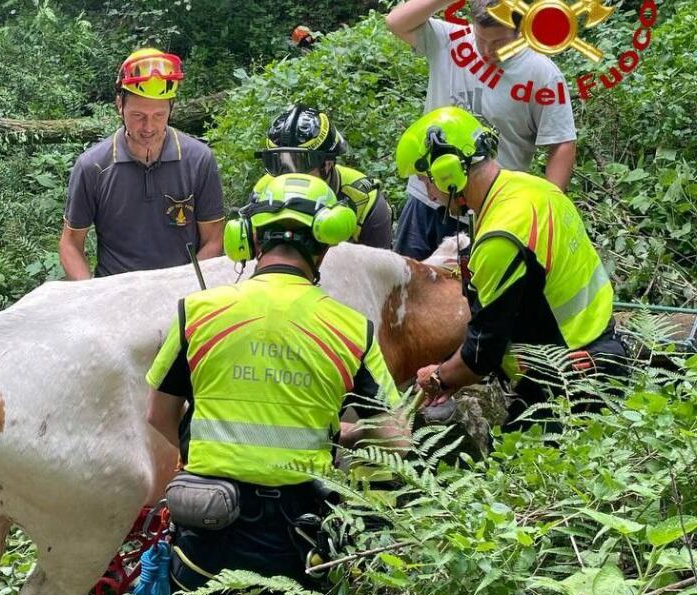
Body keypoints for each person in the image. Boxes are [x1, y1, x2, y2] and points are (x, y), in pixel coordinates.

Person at [146, 173, 409, 595]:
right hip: (294, 528)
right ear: (325, 246)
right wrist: (342, 435)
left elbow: (157, 416)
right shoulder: (351, 329)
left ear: (250, 239)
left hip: (204, 516)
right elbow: (396, 437)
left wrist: (200, 447)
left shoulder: (198, 313)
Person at [395, 107, 626, 429]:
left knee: (513, 469)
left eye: (426, 180)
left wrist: (439, 377)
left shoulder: (500, 238)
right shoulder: (535, 188)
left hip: (567, 380)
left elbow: (482, 352)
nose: (429, 193)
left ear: (446, 172)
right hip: (601, 352)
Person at [386, 0, 577, 260]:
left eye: (499, 43)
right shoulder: (449, 41)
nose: (487, 51)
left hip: (489, 211)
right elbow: (396, 21)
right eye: (480, 39)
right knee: (407, 287)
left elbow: (561, 143)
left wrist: (548, 206)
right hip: (427, 199)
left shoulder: (541, 75)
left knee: (471, 296)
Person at [59, 48, 226, 279]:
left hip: (180, 290)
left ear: (171, 109)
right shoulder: (93, 166)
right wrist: (89, 293)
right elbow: (71, 244)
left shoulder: (198, 160)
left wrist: (185, 289)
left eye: (158, 115)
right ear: (120, 105)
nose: (148, 127)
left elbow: (214, 240)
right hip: (115, 291)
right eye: (138, 116)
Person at [254, 104, 393, 248]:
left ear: (328, 163)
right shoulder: (261, 192)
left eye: (300, 163)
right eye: (277, 163)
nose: (288, 175)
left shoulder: (363, 199)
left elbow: (377, 266)